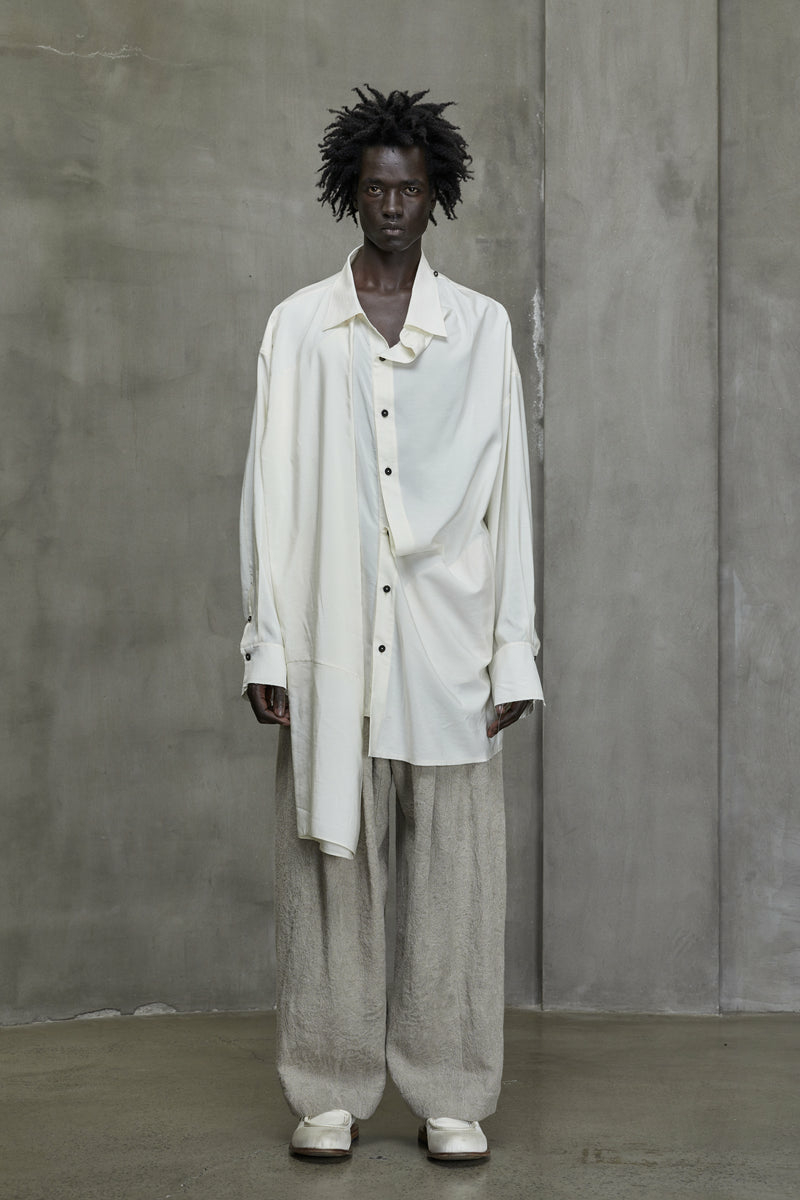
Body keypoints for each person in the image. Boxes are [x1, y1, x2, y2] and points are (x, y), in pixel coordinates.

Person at [239, 85, 543, 1162]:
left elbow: (509, 499)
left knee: (456, 881)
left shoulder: (482, 329)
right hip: (331, 642)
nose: (393, 207)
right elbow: (268, 493)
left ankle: (451, 1090)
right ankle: (328, 1087)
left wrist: (513, 651)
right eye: (376, 189)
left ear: (435, 195)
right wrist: (267, 641)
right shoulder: (298, 327)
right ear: (350, 193)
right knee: (328, 874)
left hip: (447, 647)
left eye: (410, 190)